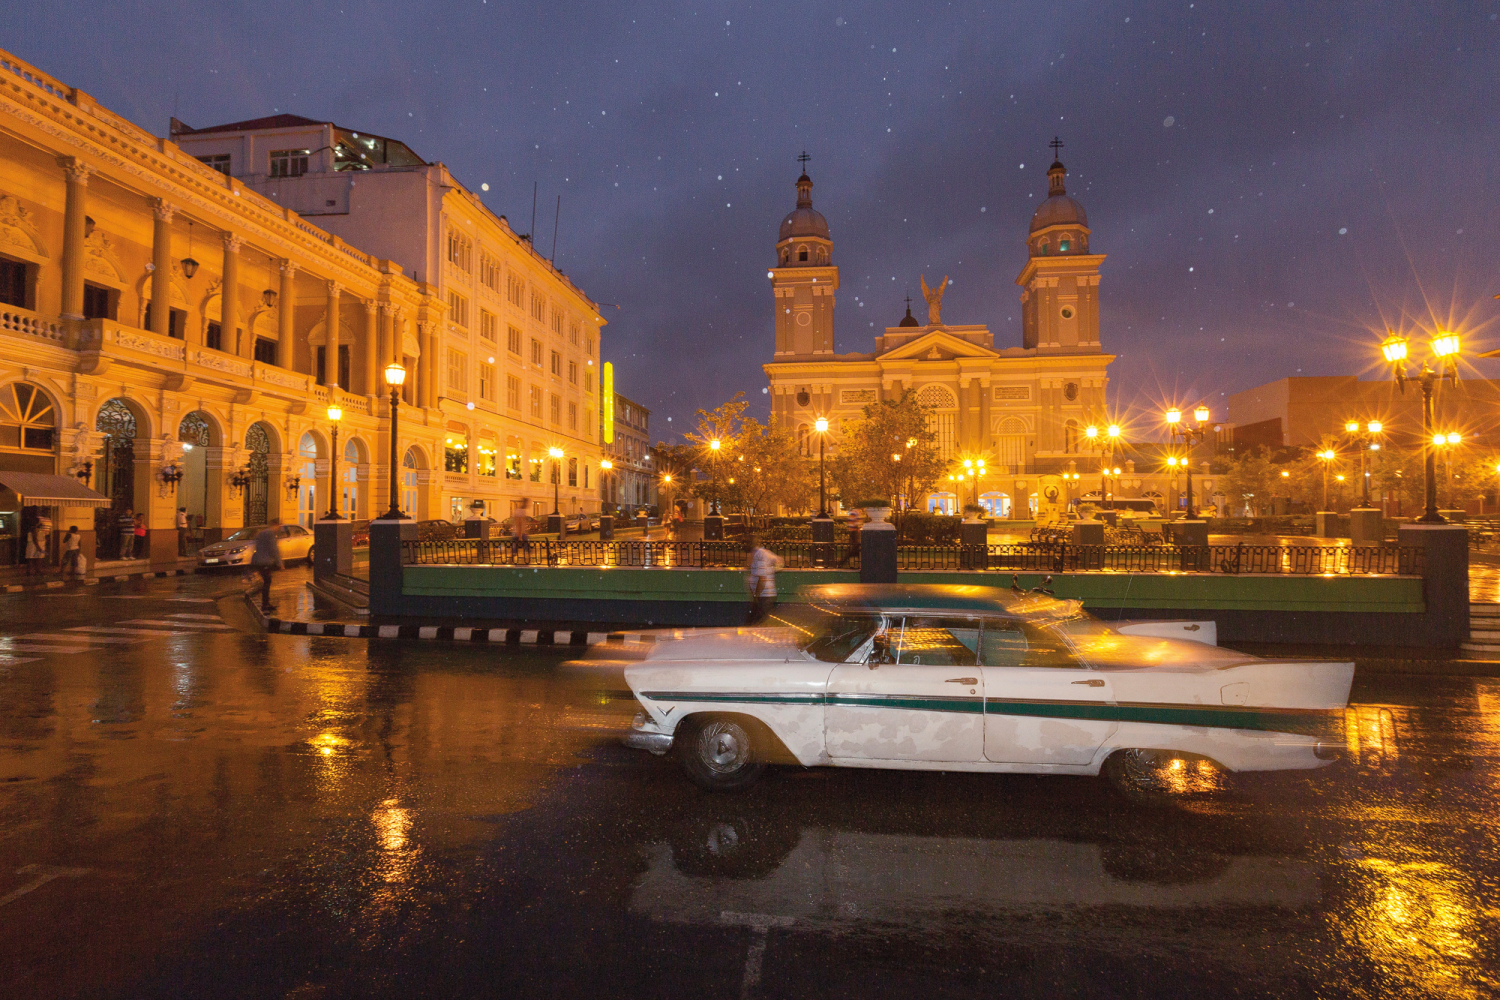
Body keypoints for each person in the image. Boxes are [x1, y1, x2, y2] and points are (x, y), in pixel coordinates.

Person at [744, 535, 783, 625]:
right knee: (760, 621)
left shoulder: (760, 555)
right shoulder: (762, 553)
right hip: (764, 595)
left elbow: (762, 579)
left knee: (758, 622)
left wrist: (756, 596)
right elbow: (780, 561)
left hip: (763, 595)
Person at [250, 518, 284, 614]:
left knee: (266, 581)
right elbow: (274, 549)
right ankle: (265, 605)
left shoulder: (262, 533)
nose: (279, 528)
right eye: (279, 526)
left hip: (259, 561)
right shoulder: (270, 534)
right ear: (276, 525)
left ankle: (266, 603)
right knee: (267, 582)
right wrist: (280, 563)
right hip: (265, 562)